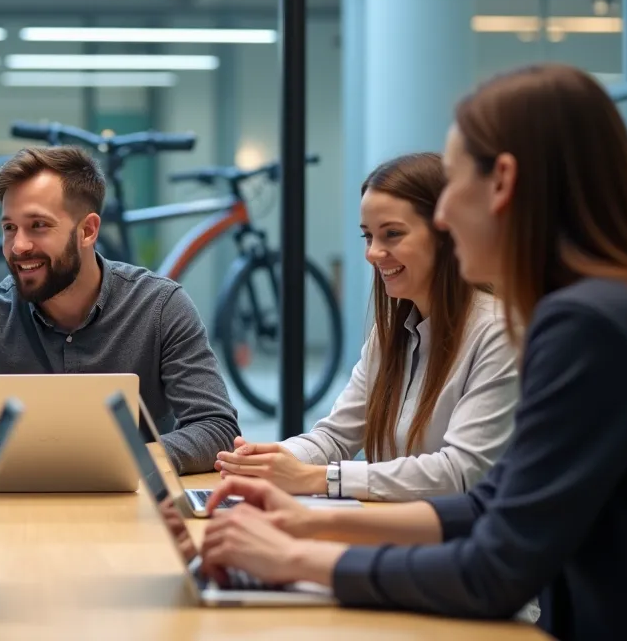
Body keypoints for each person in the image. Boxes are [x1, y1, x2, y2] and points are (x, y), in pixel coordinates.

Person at [196, 63, 627, 640]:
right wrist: (304, 525)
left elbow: (496, 565)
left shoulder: (582, 325)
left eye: (452, 184)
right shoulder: (604, 308)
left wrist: (297, 558)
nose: (444, 215)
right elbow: (493, 504)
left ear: (503, 182)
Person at [213, 153, 519, 501]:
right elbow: (335, 436)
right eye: (368, 236)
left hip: (452, 545)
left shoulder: (499, 333)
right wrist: (267, 460)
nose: (373, 253)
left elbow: (459, 472)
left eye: (391, 234)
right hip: (395, 531)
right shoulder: (391, 334)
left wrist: (318, 479)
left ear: (445, 235)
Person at [0, 145, 241, 474]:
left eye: (38, 225)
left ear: (88, 230)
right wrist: (76, 461)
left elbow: (217, 429)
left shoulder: (160, 307)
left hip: (138, 511)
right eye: (9, 228)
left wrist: (120, 460)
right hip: (15, 514)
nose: (18, 245)